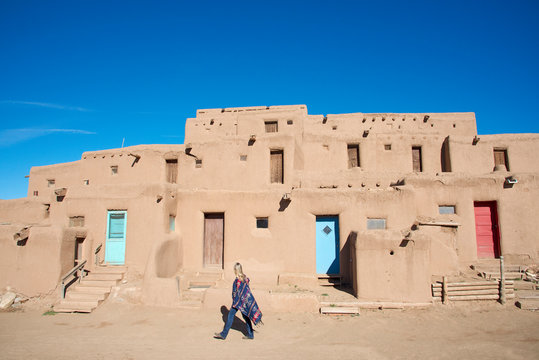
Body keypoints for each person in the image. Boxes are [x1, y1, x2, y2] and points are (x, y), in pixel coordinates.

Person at [214, 262, 262, 340]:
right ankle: (250, 334)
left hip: (238, 302)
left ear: (236, 270)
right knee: (245, 317)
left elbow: (236, 293)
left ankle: (223, 334)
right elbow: (246, 291)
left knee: (230, 316)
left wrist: (235, 302)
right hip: (244, 302)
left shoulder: (237, 281)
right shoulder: (245, 279)